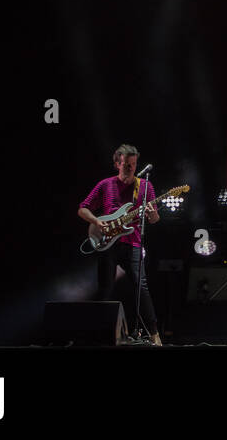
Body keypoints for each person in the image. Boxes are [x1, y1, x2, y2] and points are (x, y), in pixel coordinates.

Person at [78, 144, 161, 345]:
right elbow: (83, 209)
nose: (131, 168)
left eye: (133, 164)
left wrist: (152, 214)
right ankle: (98, 335)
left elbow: (155, 219)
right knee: (105, 288)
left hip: (132, 243)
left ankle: (154, 334)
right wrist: (97, 222)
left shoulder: (145, 186)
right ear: (117, 164)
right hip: (107, 243)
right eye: (126, 165)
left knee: (141, 286)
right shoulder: (105, 184)